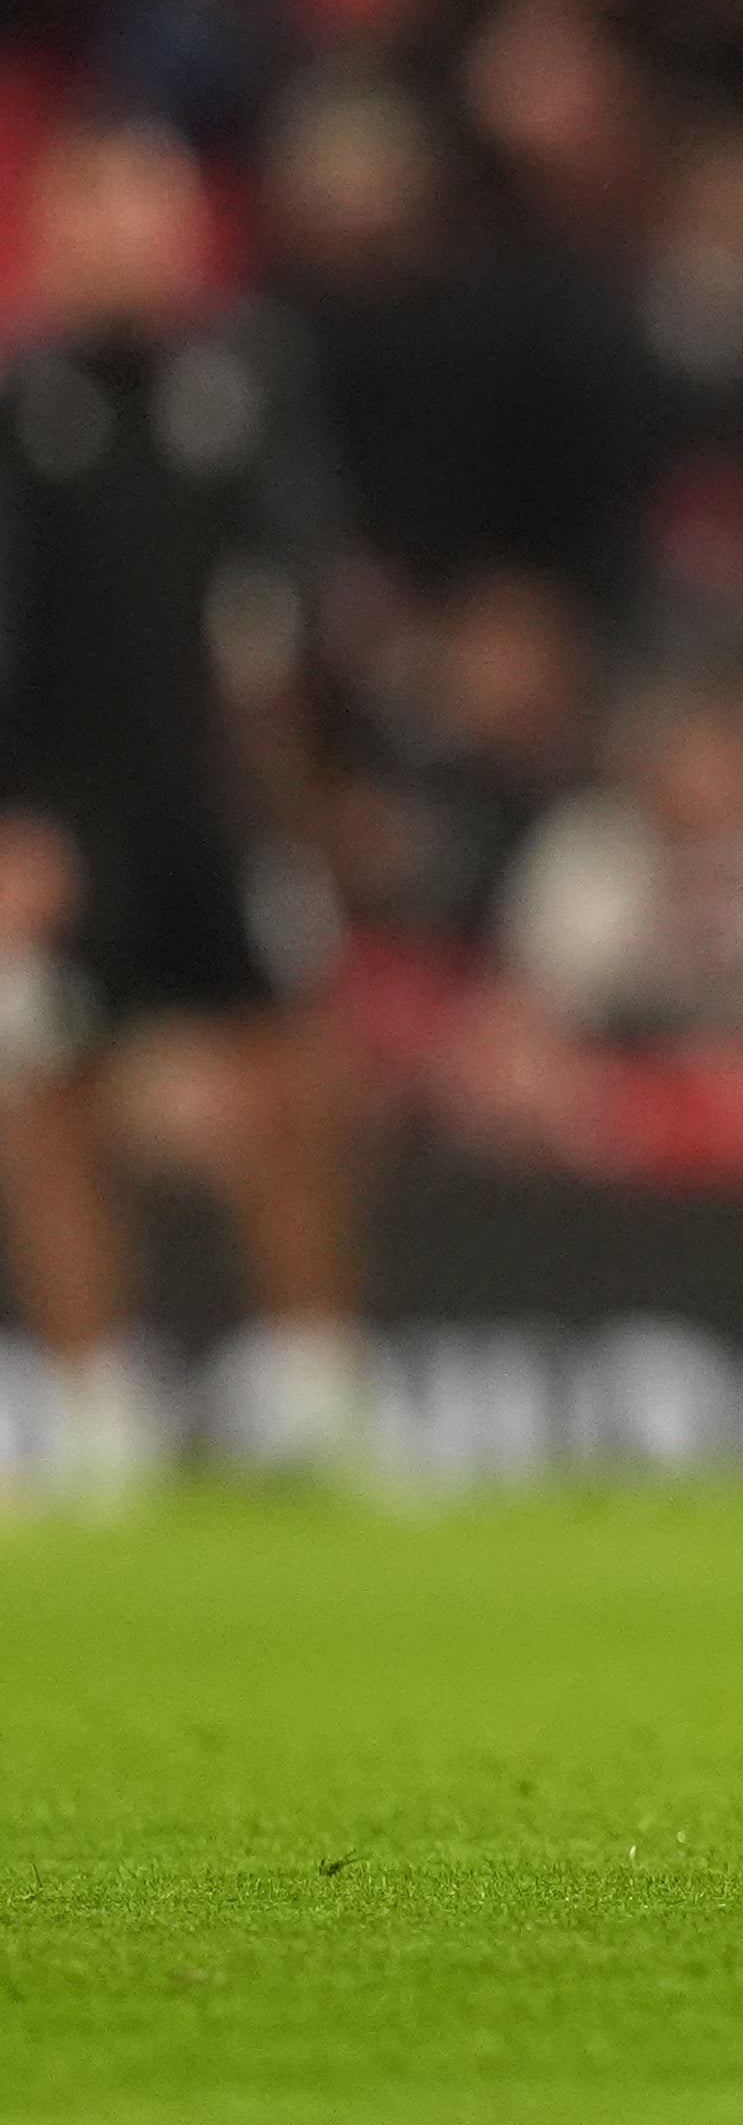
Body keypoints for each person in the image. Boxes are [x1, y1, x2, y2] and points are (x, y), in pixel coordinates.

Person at [0, 117, 366, 1500]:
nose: (126, 237)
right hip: (67, 811)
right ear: (52, 231)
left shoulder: (244, 377)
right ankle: (97, 1411)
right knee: (50, 1101)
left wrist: (304, 799)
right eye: (95, 208)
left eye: (148, 210)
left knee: (289, 1085)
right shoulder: (22, 399)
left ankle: (321, 1393)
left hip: (218, 803)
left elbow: (293, 593)